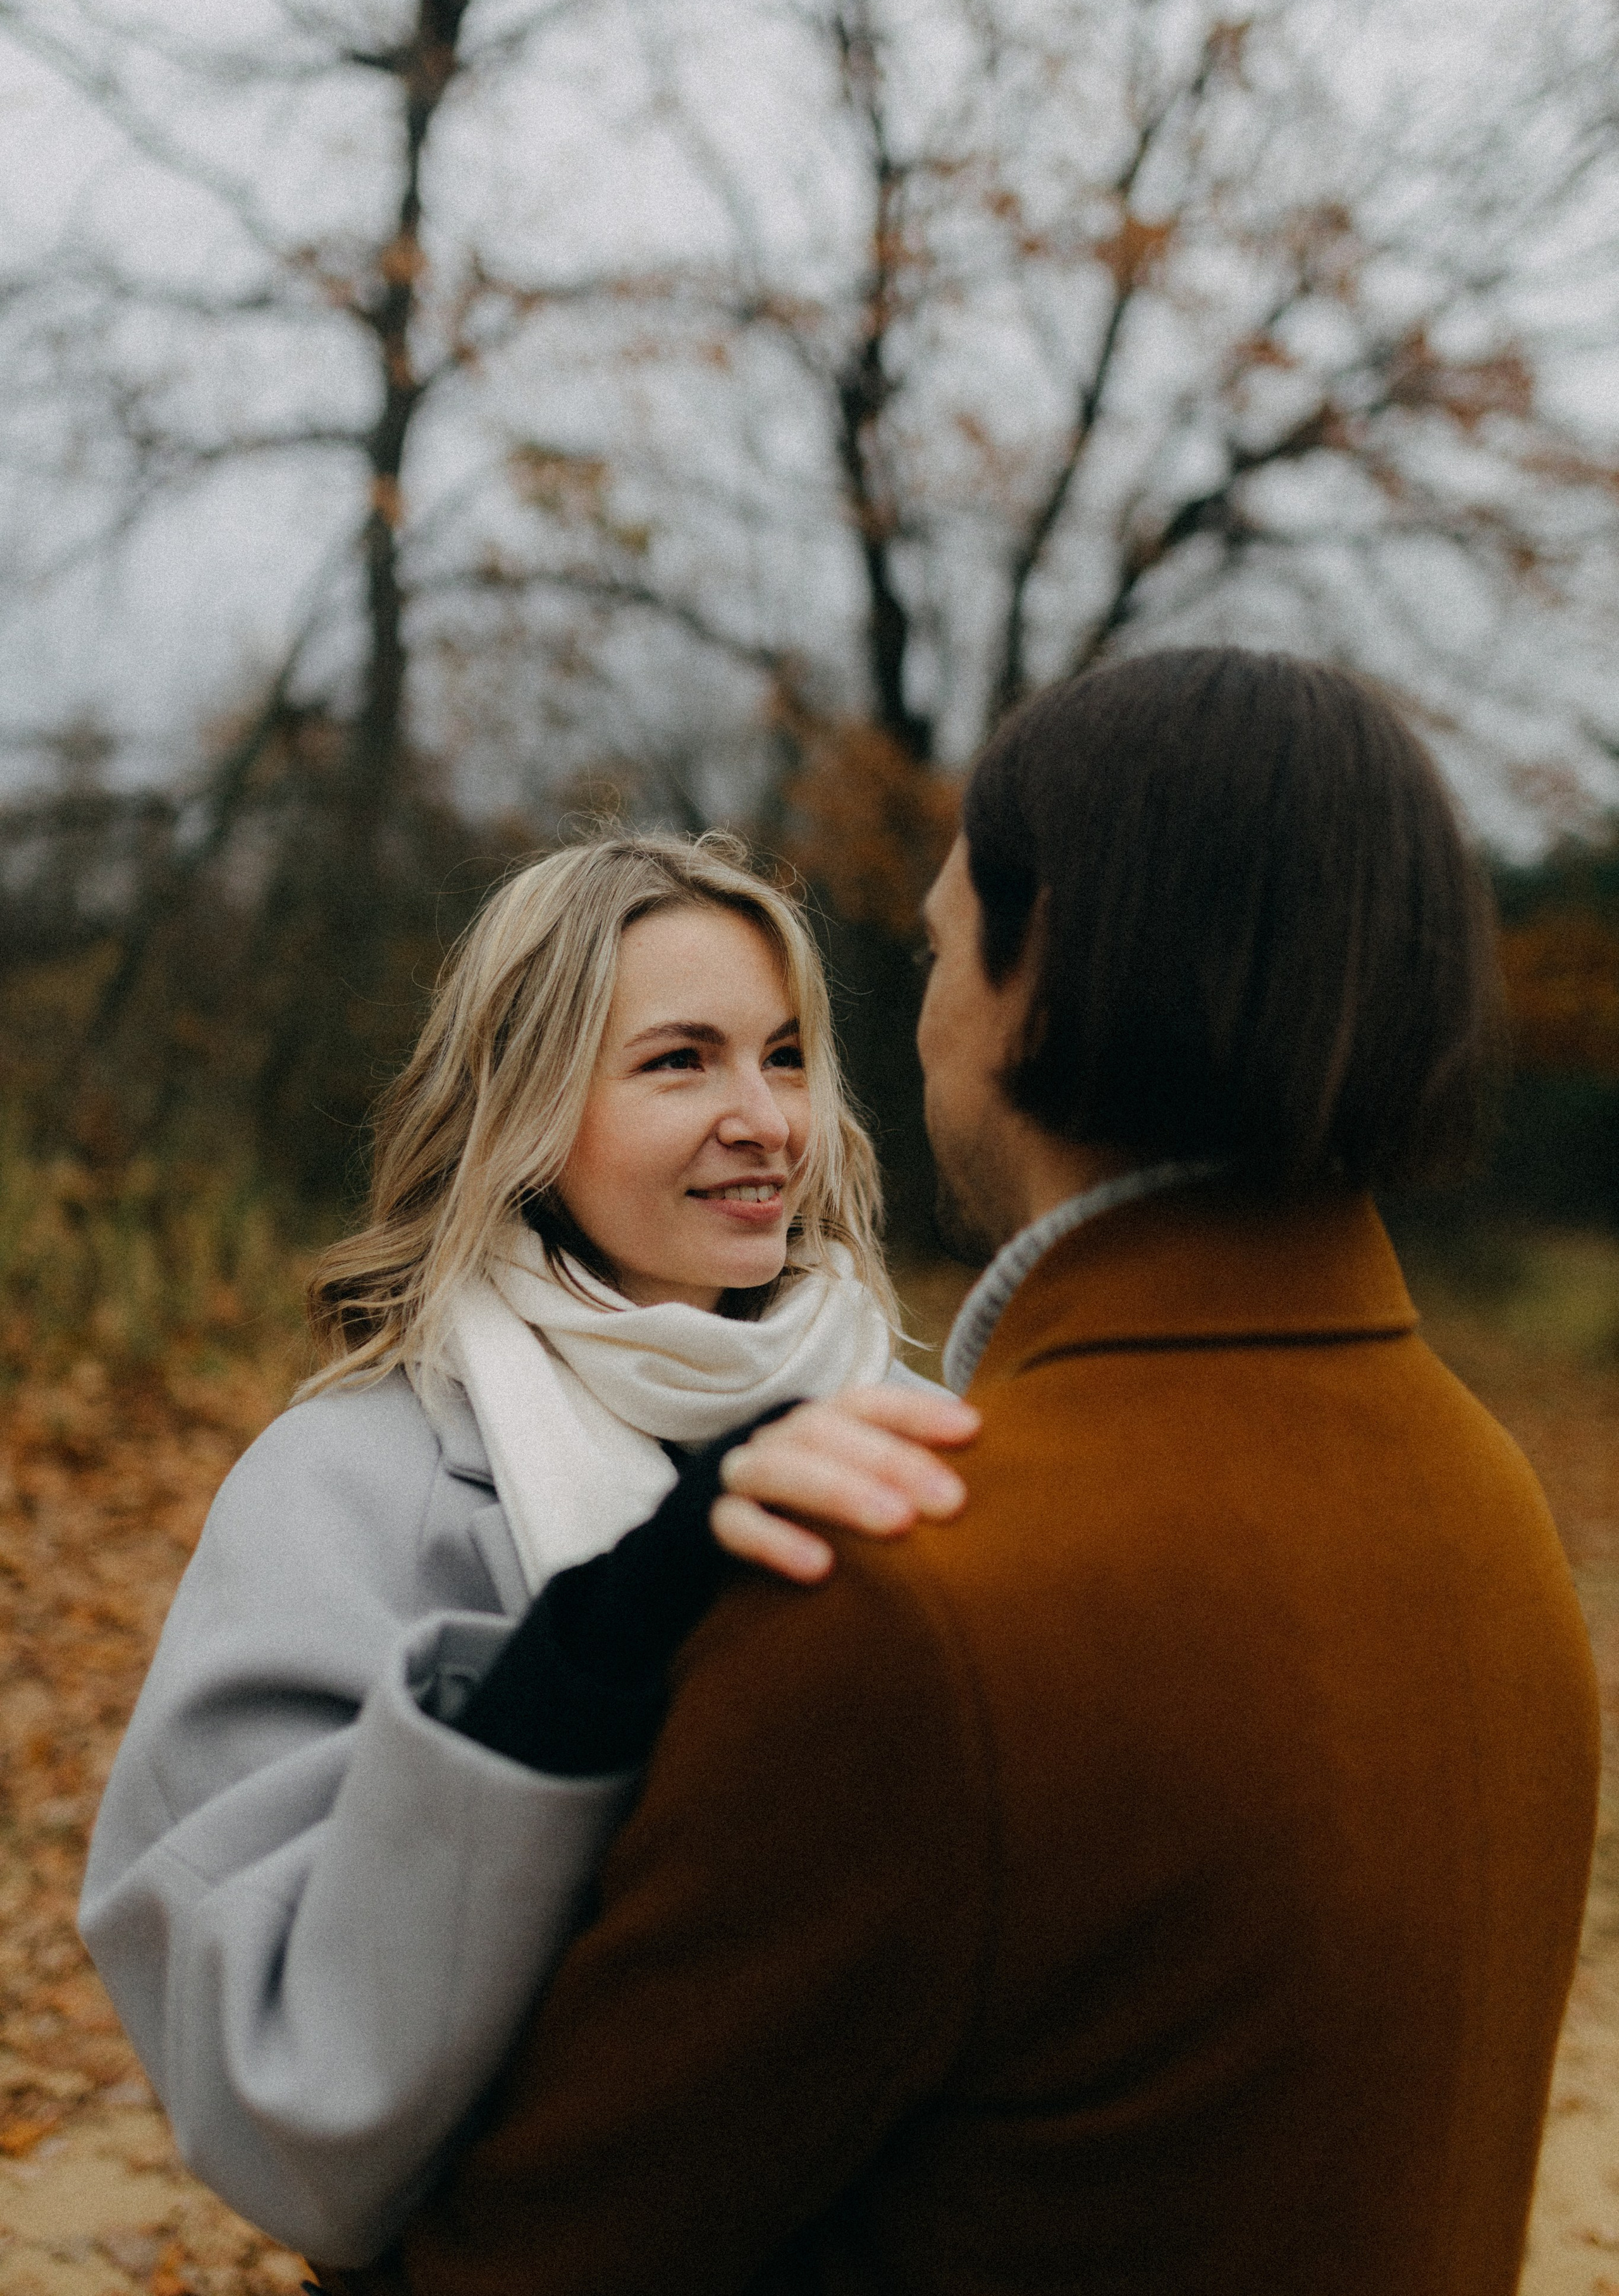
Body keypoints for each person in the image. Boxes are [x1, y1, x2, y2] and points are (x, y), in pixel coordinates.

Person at [317, 650, 1601, 2296]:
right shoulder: (1484, 1497)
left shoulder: (916, 1590)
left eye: (934, 950)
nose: (901, 1027)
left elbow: (522, 2258)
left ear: (1034, 979)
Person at [79, 833, 979, 2265]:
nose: (764, 1119)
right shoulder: (343, 1483)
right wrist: (598, 1650)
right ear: (528, 1106)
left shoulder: (924, 1433)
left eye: (786, 1055)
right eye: (680, 1061)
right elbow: (275, 2098)